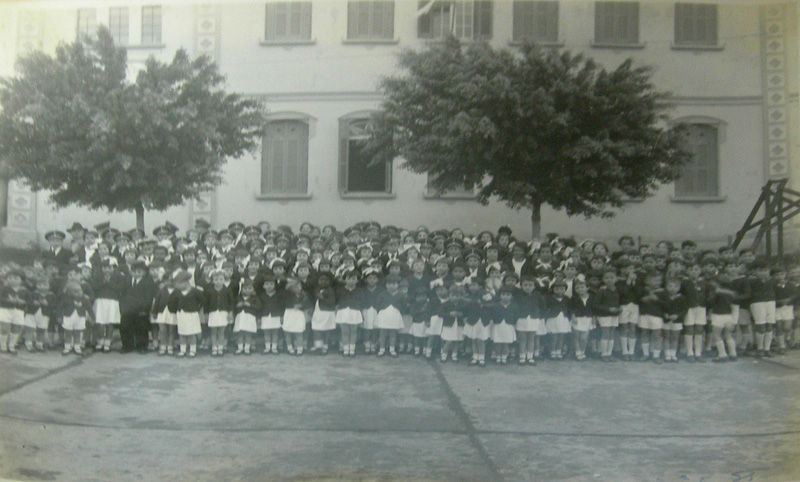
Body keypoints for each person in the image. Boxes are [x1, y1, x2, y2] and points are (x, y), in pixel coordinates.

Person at [120, 261, 157, 354]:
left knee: (141, 328)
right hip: (128, 309)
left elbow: (149, 297)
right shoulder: (127, 280)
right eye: (134, 271)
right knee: (125, 327)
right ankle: (127, 346)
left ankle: (142, 347)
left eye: (139, 271)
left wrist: (145, 309)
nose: (136, 273)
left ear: (144, 272)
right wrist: (123, 307)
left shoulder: (148, 282)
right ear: (131, 271)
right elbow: (122, 294)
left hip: (141, 310)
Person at [168, 270, 205, 358]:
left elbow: (203, 300)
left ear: (185, 282)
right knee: (182, 333)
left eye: (178, 283)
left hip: (192, 315)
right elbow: (171, 302)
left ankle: (192, 350)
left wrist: (197, 308)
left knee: (192, 333)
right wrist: (174, 310)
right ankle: (183, 350)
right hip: (181, 315)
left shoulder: (195, 291)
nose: (176, 286)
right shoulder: (176, 292)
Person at [92, 257, 125, 353]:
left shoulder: (119, 276)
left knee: (110, 322)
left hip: (113, 301)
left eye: (109, 268)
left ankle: (108, 341)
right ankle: (100, 340)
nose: (107, 270)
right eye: (104, 268)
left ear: (114, 268)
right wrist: (103, 282)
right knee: (100, 322)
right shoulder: (98, 276)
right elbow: (95, 287)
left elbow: (120, 289)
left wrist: (109, 283)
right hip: (100, 301)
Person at [592, 269, 621, 362]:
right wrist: (608, 309)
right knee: (606, 333)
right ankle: (604, 354)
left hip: (614, 315)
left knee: (612, 333)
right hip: (604, 315)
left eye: (612, 277)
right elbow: (595, 305)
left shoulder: (617, 290)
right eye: (607, 278)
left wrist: (619, 308)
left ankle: (609, 353)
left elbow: (618, 301)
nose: (609, 280)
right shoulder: (601, 291)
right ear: (603, 280)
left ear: (616, 279)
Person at [206, 269, 235, 356]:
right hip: (213, 313)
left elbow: (231, 302)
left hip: (223, 313)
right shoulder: (209, 291)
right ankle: (214, 347)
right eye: (216, 279)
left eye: (221, 279)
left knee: (222, 332)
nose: (218, 281)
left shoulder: (227, 290)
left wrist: (230, 312)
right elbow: (206, 303)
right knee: (213, 332)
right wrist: (206, 314)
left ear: (224, 280)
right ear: (212, 281)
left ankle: (220, 347)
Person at [375, 274, 405, 357]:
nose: (391, 286)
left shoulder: (400, 295)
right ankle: (382, 349)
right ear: (386, 285)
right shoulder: (382, 294)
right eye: (389, 284)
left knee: (393, 333)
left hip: (395, 316)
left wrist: (399, 314)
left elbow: (403, 306)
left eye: (394, 284)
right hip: (384, 316)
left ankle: (392, 349)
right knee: (382, 333)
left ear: (398, 285)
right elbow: (378, 305)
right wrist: (381, 313)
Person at [0, 269, 29, 354]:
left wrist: (23, 302)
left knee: (16, 328)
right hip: (5, 309)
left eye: (15, 278)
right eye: (10, 278)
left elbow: (29, 301)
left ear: (21, 280)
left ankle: (11, 346)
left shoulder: (25, 291)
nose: (12, 280)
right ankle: (3, 345)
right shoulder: (4, 288)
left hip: (19, 311)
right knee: (4, 327)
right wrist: (8, 300)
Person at [282, 277, 312, 355]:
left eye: (299, 286)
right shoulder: (287, 295)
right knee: (288, 332)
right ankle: (290, 348)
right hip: (289, 313)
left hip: (299, 314)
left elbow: (307, 303)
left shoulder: (304, 295)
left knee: (299, 332)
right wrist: (292, 305)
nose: (298, 288)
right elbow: (284, 304)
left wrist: (301, 306)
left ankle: (299, 348)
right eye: (295, 286)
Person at [310, 271, 337, 354]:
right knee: (316, 328)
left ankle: (325, 346)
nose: (323, 282)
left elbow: (332, 302)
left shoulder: (330, 291)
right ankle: (318, 345)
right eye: (321, 280)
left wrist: (322, 298)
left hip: (327, 313)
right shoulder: (316, 290)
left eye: (326, 280)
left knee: (327, 329)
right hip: (318, 312)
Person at [490, 285, 517, 364]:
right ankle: (498, 357)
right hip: (498, 326)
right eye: (503, 294)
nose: (505, 296)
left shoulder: (514, 306)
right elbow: (492, 315)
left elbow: (516, 316)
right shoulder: (495, 305)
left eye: (508, 295)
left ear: (512, 296)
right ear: (500, 295)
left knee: (505, 344)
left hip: (508, 326)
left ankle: (504, 357)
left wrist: (513, 324)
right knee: (497, 343)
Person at [233, 280, 261, 355]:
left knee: (248, 333)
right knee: (240, 333)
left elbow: (259, 307)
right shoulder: (238, 298)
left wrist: (250, 305)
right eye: (245, 288)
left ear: (253, 289)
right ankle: (240, 348)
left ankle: (247, 348)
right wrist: (237, 306)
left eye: (249, 288)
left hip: (249, 317)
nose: (247, 290)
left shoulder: (255, 298)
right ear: (241, 289)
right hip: (240, 317)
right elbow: (233, 307)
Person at [260, 274, 285, 355]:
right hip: (265, 316)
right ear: (263, 286)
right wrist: (259, 317)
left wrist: (281, 316)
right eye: (267, 284)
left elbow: (281, 306)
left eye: (271, 284)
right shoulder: (261, 295)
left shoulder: (278, 295)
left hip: (276, 315)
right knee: (266, 332)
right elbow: (260, 307)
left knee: (275, 332)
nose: (269, 286)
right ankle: (267, 347)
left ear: (275, 285)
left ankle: (274, 347)